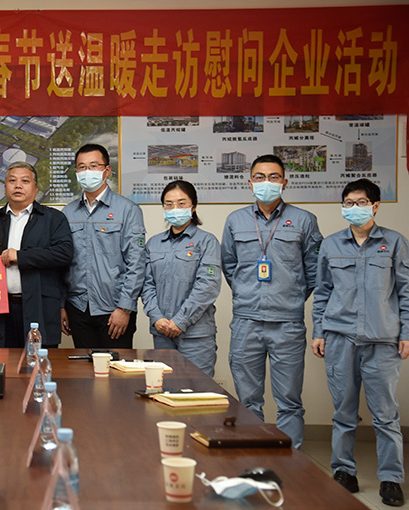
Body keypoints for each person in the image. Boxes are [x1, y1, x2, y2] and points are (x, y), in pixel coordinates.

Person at [311, 179, 409, 507]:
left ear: (376, 206)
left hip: (382, 340)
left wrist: (407, 333)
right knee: (344, 412)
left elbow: (406, 291)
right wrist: (319, 331)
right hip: (340, 338)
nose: (355, 208)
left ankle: (391, 479)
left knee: (386, 415)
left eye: (361, 202)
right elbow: (322, 292)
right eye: (349, 203)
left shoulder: (395, 242)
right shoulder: (331, 245)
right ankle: (344, 471)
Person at [221, 154, 323, 450]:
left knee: (289, 401)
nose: (267, 182)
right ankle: (255, 459)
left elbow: (314, 271)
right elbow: (230, 265)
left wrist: (290, 297)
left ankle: (293, 465)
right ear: (250, 182)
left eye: (274, 177)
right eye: (260, 177)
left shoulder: (304, 220)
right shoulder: (236, 220)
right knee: (248, 400)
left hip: (287, 324)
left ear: (284, 182)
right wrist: (248, 294)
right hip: (246, 322)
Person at [0, 162, 73, 348]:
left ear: (36, 188)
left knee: (38, 360)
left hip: (39, 306)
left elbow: (64, 253)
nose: (18, 185)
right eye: (12, 181)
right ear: (5, 187)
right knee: (2, 360)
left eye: (25, 181)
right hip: (1, 310)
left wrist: (21, 257)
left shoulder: (53, 218)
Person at [60, 143, 147, 349]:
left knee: (116, 367)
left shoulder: (128, 210)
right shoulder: (68, 212)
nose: (87, 172)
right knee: (83, 368)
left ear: (107, 170)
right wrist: (61, 305)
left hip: (114, 309)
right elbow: (62, 264)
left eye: (93, 166)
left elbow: (136, 263)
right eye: (82, 167)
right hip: (78, 308)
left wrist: (125, 308)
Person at [141, 180, 221, 377]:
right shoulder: (154, 243)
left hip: (196, 336)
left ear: (193, 206)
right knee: (165, 388)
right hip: (162, 333)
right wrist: (156, 317)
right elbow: (146, 284)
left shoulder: (207, 241)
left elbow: (207, 286)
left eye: (181, 203)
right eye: (169, 204)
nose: (175, 208)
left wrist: (180, 321)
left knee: (198, 389)